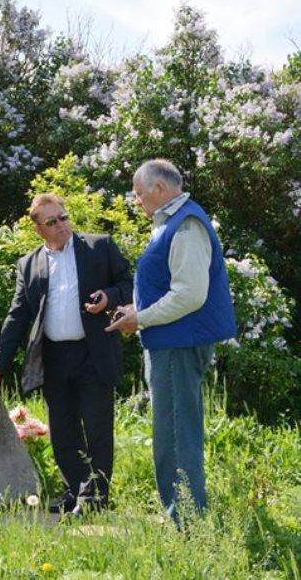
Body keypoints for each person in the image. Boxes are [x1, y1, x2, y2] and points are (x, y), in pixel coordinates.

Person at [0, 193, 133, 517]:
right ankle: (73, 492)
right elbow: (16, 317)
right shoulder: (29, 264)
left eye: (63, 217)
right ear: (38, 229)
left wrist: (109, 296)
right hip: (54, 357)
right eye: (52, 222)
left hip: (94, 353)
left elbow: (129, 284)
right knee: (62, 430)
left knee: (97, 427)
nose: (62, 225)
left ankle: (94, 500)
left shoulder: (99, 247)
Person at [107, 159, 236, 523]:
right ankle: (182, 517)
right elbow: (172, 288)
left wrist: (141, 318)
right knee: (172, 432)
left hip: (178, 345)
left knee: (176, 437)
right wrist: (135, 308)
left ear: (160, 189)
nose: (136, 200)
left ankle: (188, 525)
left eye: (138, 192)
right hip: (169, 343)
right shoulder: (171, 223)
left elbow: (190, 295)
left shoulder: (187, 225)